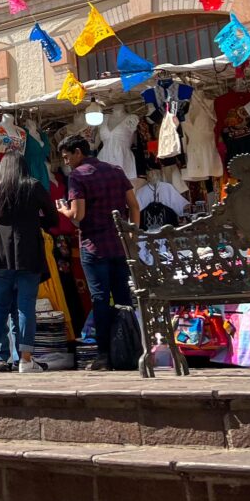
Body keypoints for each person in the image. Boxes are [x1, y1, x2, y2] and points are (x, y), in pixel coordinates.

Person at [57, 134, 141, 370]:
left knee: (100, 299)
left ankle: (104, 354)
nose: (66, 162)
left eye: (66, 157)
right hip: (119, 245)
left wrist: (64, 210)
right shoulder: (115, 170)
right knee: (124, 298)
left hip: (94, 246)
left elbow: (78, 216)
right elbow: (134, 206)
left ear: (77, 152)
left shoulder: (77, 176)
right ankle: (130, 350)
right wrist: (132, 235)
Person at [0, 155, 59, 373]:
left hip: (1, 254)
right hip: (29, 253)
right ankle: (26, 359)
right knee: (25, 306)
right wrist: (35, 221)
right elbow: (53, 218)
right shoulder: (33, 185)